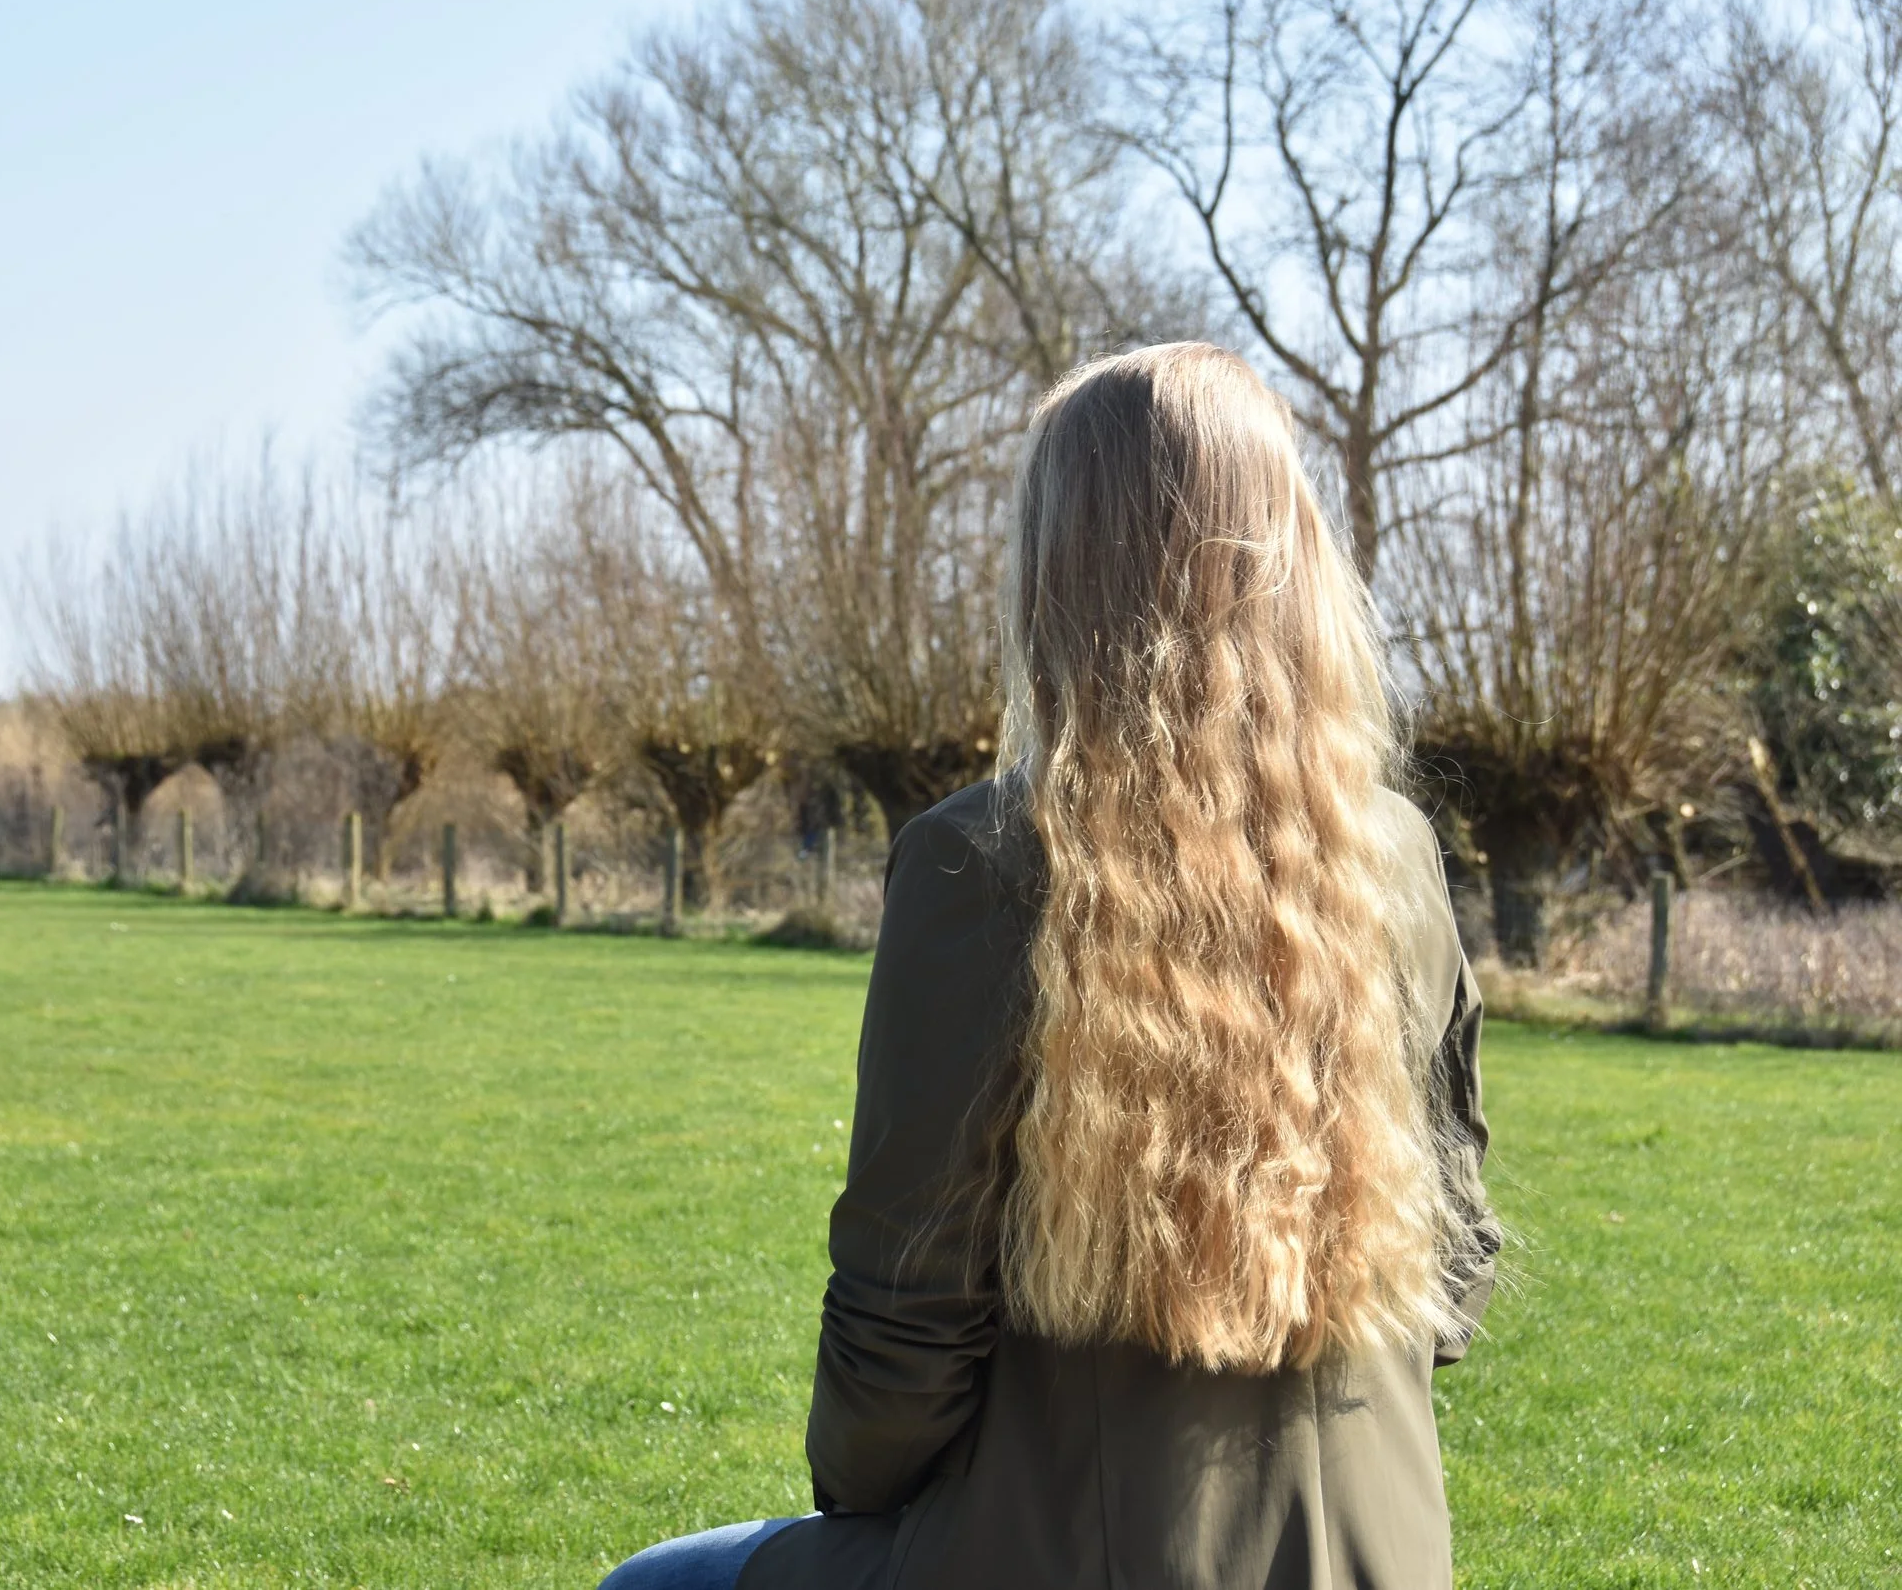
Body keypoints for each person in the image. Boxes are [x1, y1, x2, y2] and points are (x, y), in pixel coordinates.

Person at [599, 343, 1500, 1590]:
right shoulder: (1394, 857)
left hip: (1055, 1557)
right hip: (1383, 1554)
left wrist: (860, 1497)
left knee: (652, 1584)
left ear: (1060, 573)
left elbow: (901, 1329)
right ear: (1291, 559)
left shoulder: (980, 863)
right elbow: (1455, 1268)